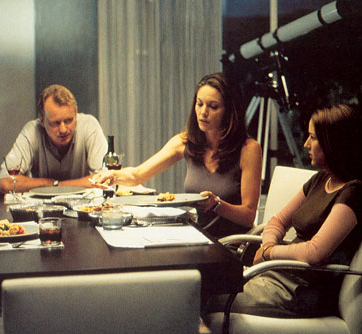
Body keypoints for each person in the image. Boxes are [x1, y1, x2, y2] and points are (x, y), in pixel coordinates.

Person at [216, 104, 362, 318]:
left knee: (207, 295)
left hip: (301, 291)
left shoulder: (354, 193)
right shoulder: (321, 179)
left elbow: (315, 252)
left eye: (313, 138)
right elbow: (277, 222)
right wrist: (268, 245)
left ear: (333, 142)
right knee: (206, 286)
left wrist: (269, 253)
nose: (305, 144)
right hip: (277, 274)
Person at [92, 73, 262, 237]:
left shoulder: (249, 149)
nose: (203, 112)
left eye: (213, 107)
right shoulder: (185, 142)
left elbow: (248, 216)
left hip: (231, 243)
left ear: (230, 111)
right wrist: (113, 175)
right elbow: (137, 175)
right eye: (199, 104)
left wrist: (217, 204)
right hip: (198, 237)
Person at [0, 84, 108, 194]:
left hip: (83, 204)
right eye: (55, 123)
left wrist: (57, 186)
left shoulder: (89, 126)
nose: (63, 130)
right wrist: (53, 184)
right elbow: (5, 183)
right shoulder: (31, 131)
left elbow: (105, 179)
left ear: (75, 113)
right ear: (42, 120)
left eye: (68, 121)